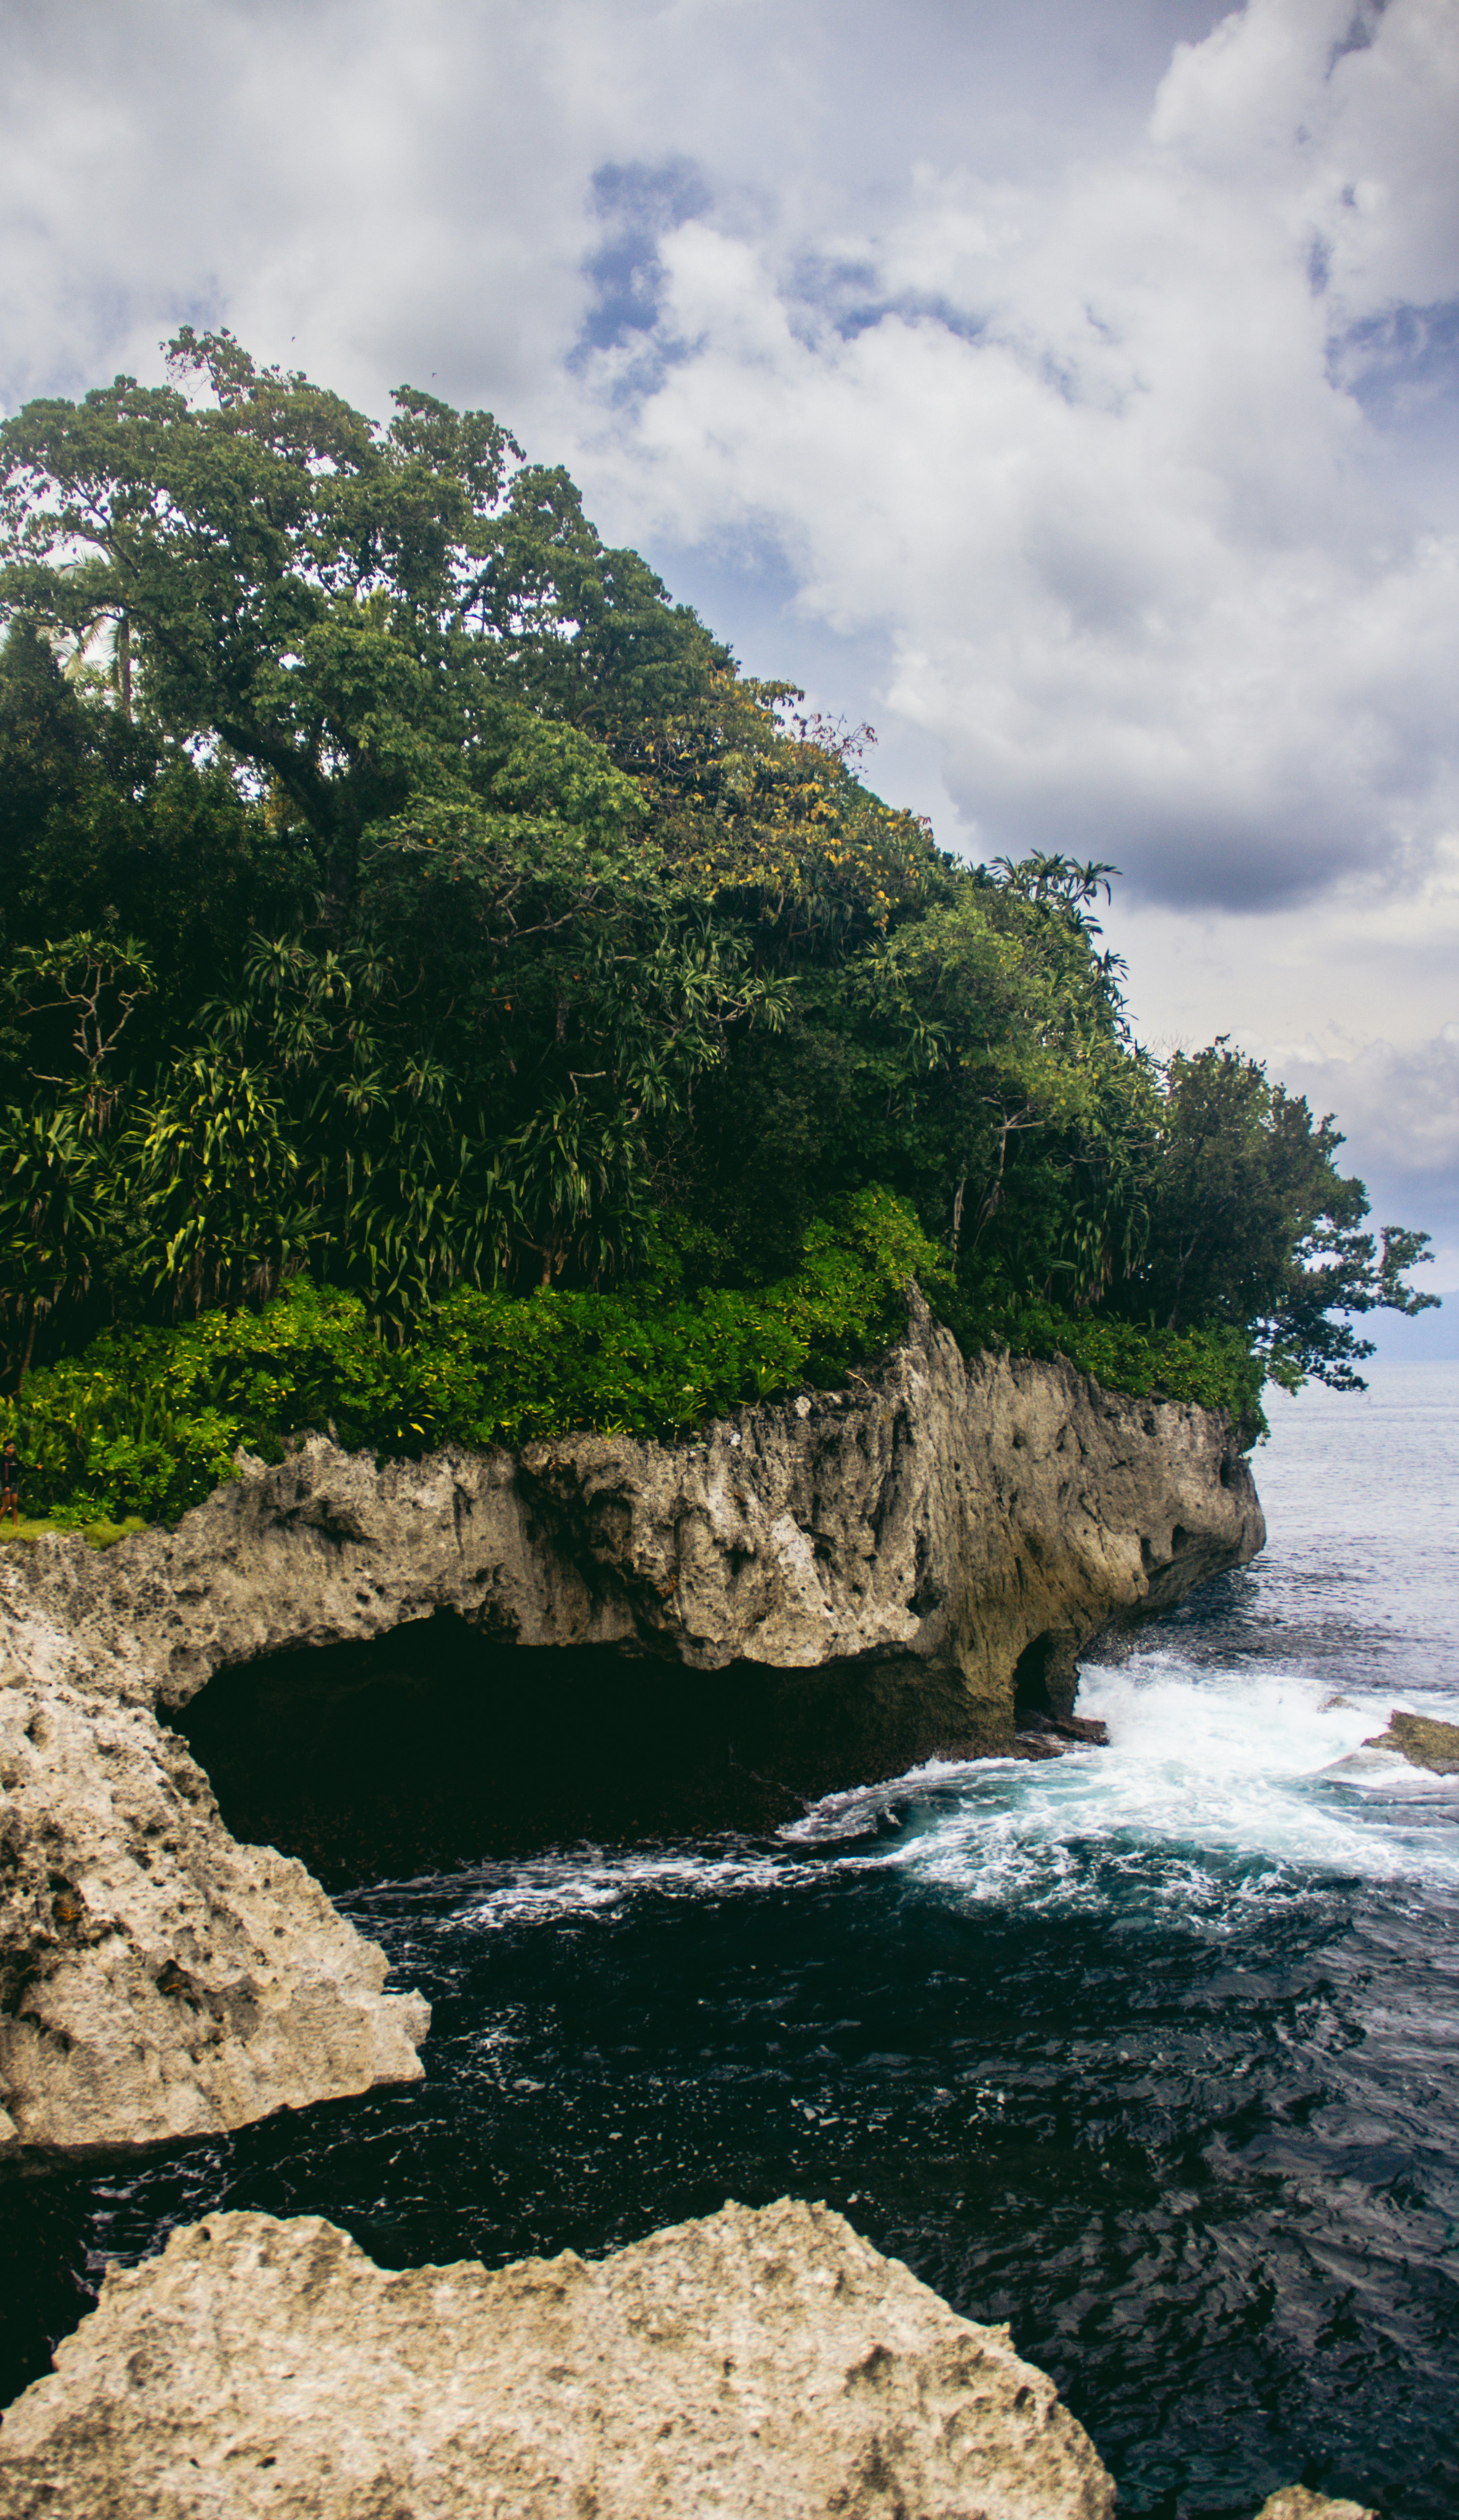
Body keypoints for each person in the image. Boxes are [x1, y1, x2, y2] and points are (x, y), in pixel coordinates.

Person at [1, 1438, 23, 1529]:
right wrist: (5, 1486)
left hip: (15, 1483)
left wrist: (36, 1468)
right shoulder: (2, 1458)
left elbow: (23, 1468)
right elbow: (1, 1473)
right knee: (6, 1505)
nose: (12, 1450)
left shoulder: (15, 1458)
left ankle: (15, 1525)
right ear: (6, 1448)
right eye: (10, 1448)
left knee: (14, 1504)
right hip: (5, 1483)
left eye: (13, 1448)